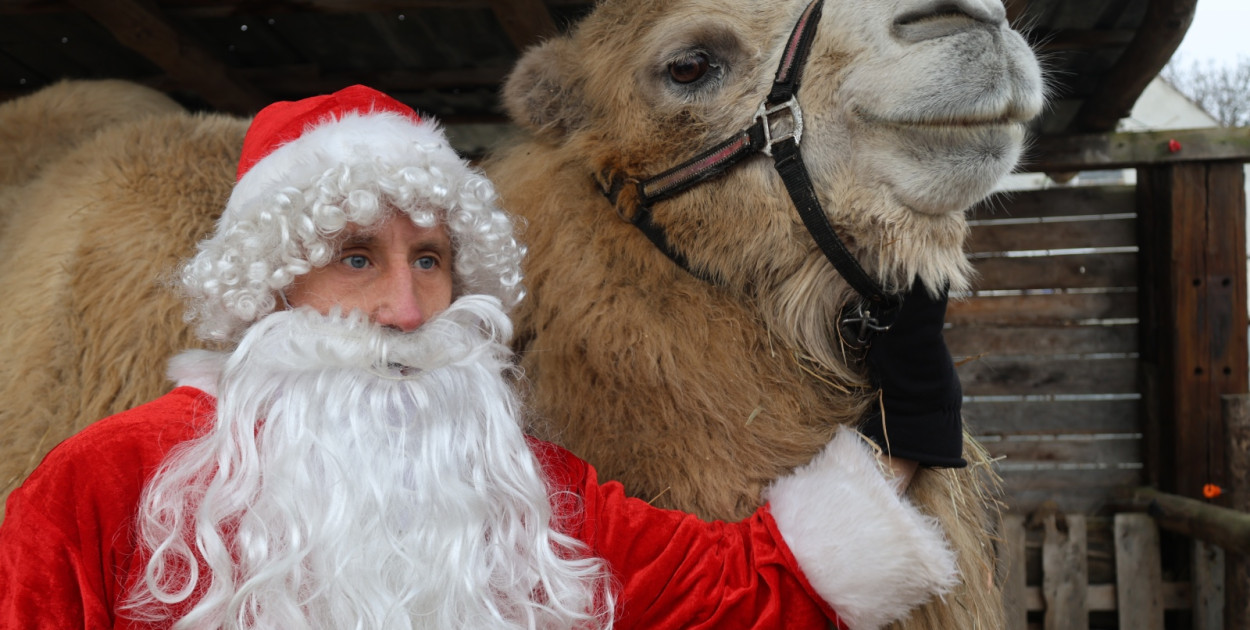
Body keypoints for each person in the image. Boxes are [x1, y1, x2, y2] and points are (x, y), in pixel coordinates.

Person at [0, 86, 959, 630]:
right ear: (273, 283)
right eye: (355, 259)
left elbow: (759, 588)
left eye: (430, 260)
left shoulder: (528, 492)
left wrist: (913, 398)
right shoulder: (112, 478)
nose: (406, 308)